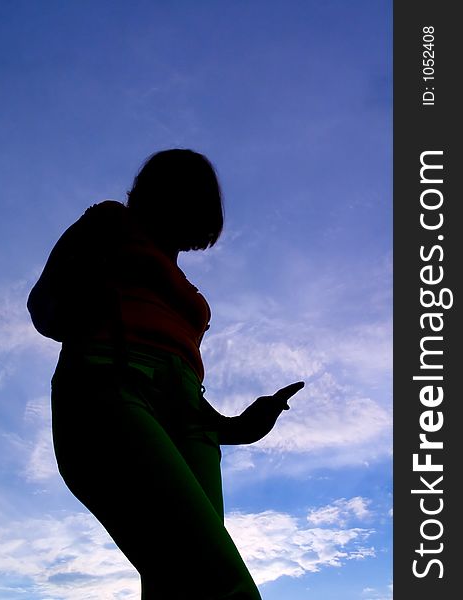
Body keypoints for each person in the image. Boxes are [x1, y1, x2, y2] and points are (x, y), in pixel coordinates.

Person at [27, 149, 304, 599]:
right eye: (181, 189)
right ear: (156, 192)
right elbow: (44, 306)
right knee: (220, 586)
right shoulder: (109, 222)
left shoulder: (184, 284)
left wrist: (240, 425)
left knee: (177, 587)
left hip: (192, 421)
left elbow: (180, 371)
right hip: (114, 386)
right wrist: (93, 306)